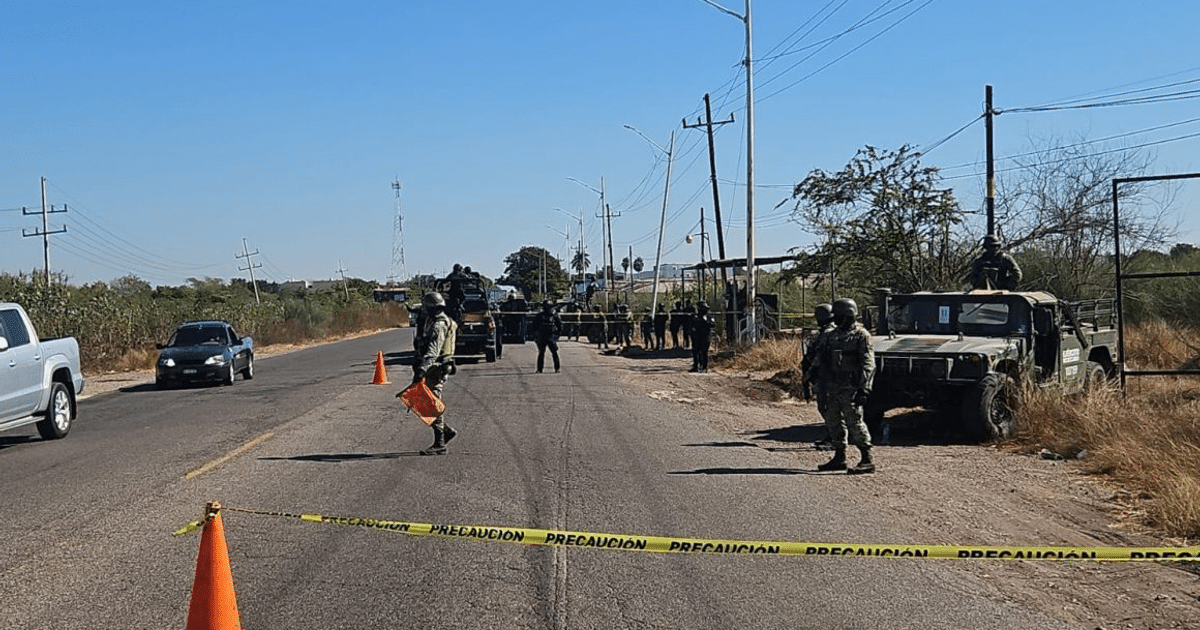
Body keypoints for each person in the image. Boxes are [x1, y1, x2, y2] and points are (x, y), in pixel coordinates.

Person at [810, 298, 876, 474]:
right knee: (833, 421)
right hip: (832, 385)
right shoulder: (832, 335)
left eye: (838, 316)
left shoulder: (861, 335)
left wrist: (864, 388)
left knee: (854, 422)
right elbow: (822, 357)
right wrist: (814, 373)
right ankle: (840, 457)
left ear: (849, 316)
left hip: (851, 386)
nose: (836, 319)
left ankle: (867, 458)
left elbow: (868, 364)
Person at [400, 291, 459, 456]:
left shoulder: (438, 325)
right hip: (435, 367)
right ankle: (445, 431)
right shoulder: (436, 320)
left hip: (435, 368)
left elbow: (433, 351)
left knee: (431, 404)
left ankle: (440, 442)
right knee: (420, 400)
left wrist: (422, 369)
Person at [800, 303, 835, 444]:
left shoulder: (827, 333)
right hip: (830, 375)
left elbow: (819, 357)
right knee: (827, 407)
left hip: (827, 376)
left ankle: (834, 438)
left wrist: (809, 373)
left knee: (827, 407)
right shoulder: (831, 331)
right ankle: (832, 436)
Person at [532, 300, 563, 373]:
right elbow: (534, 326)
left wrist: (557, 336)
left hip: (551, 335)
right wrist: (535, 336)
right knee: (541, 352)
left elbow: (560, 326)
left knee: (554, 352)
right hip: (542, 335)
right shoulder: (540, 315)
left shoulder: (554, 315)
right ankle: (539, 369)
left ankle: (557, 368)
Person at [689, 301, 716, 373]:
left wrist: (706, 321)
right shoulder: (695, 316)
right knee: (695, 351)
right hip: (697, 336)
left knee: (704, 352)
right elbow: (691, 326)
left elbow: (713, 325)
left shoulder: (709, 316)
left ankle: (704, 367)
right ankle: (696, 366)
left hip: (706, 336)